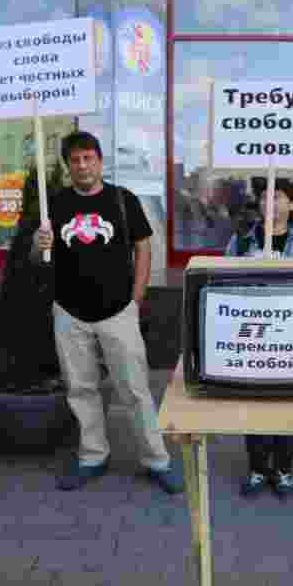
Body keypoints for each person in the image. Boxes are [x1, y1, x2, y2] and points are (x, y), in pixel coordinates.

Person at [33, 131, 182, 494]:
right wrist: (39, 245)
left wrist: (137, 297)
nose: (83, 166)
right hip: (69, 311)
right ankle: (92, 456)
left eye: (89, 158)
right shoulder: (55, 204)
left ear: (100, 162)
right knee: (81, 388)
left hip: (118, 310)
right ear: (68, 166)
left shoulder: (122, 199)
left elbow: (143, 247)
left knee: (135, 388)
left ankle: (156, 460)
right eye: (75, 160)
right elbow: (38, 259)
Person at [224, 178, 293, 498]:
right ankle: (257, 467)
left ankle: (283, 469)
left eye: (277, 196)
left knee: (289, 405)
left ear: (292, 204)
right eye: (264, 196)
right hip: (254, 336)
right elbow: (223, 284)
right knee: (254, 404)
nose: (269, 201)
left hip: (291, 339)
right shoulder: (241, 241)